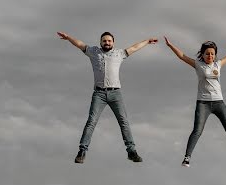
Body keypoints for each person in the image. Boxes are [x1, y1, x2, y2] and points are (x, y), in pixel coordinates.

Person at [57, 31, 157, 164]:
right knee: (91, 121)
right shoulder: (93, 52)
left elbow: (134, 48)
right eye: (104, 41)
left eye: (109, 41)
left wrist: (147, 41)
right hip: (99, 94)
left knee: (124, 122)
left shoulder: (119, 54)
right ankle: (82, 151)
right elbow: (80, 44)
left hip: (116, 94)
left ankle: (131, 151)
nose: (107, 43)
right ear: (100, 42)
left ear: (113, 43)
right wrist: (69, 38)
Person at [164, 36, 226, 167]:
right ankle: (187, 158)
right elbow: (182, 56)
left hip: (219, 103)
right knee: (197, 131)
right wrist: (170, 45)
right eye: (207, 53)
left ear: (215, 55)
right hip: (203, 103)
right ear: (203, 54)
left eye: (212, 54)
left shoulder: (218, 64)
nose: (210, 56)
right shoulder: (198, 65)